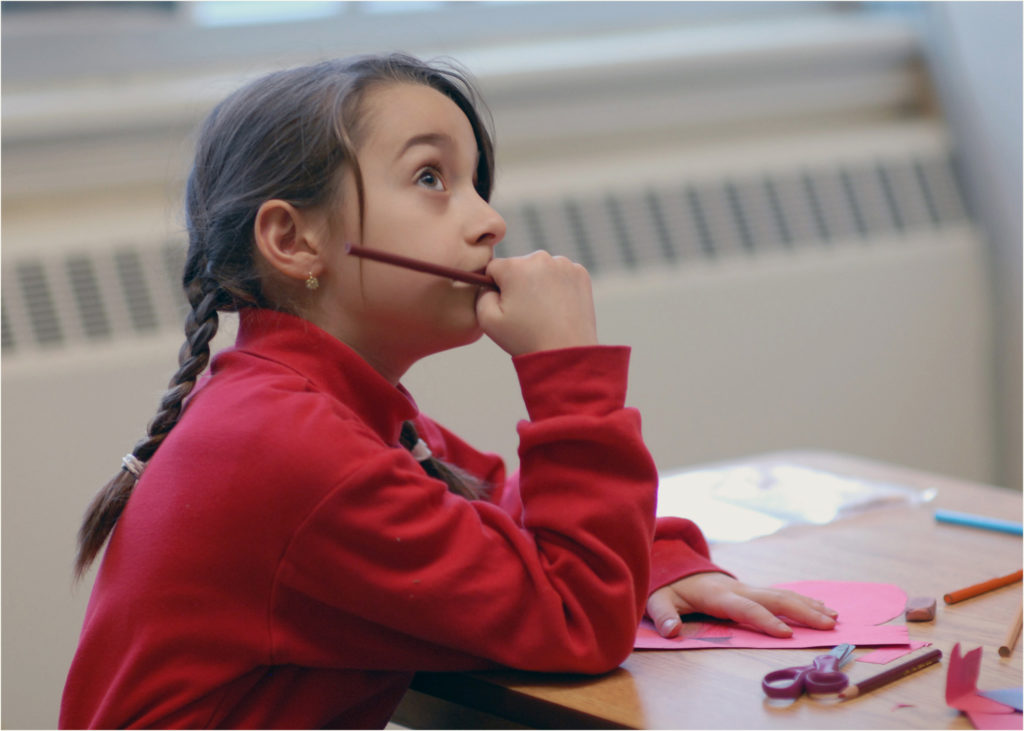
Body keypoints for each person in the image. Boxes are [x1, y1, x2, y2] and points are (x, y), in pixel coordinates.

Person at [60, 53, 837, 729]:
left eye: (475, 184)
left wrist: (663, 561)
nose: (491, 221)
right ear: (295, 242)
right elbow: (578, 617)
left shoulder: (307, 407)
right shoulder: (294, 448)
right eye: (431, 178)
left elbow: (496, 507)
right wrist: (568, 369)